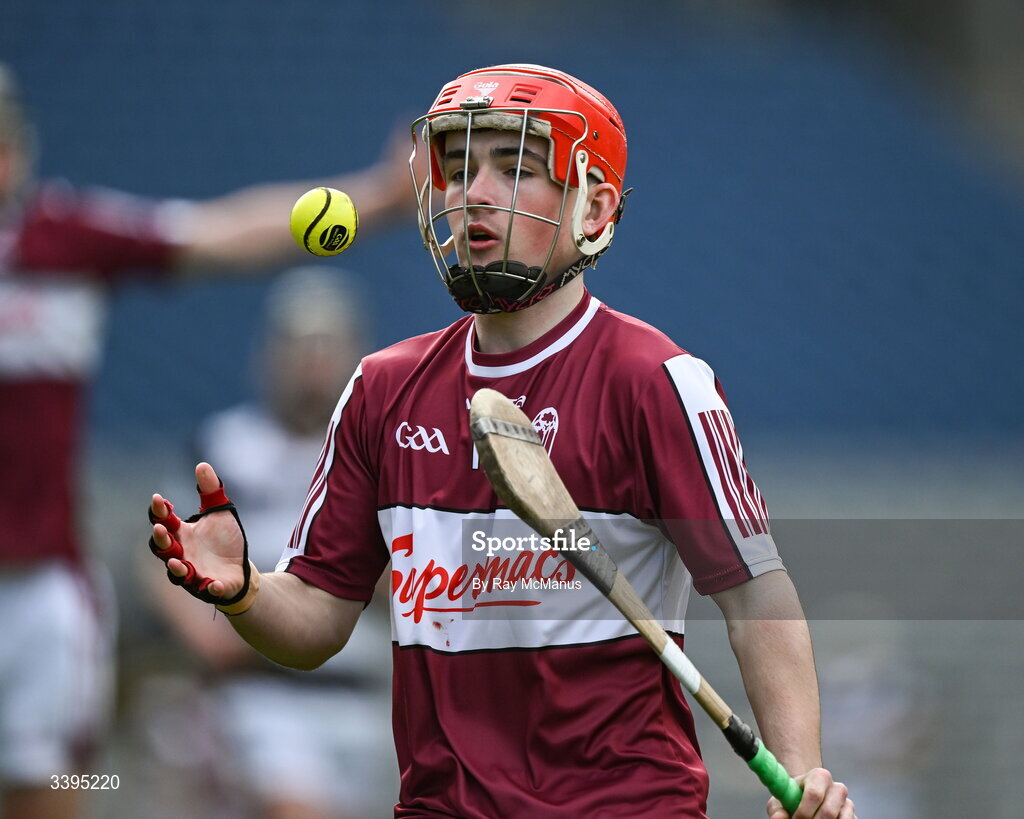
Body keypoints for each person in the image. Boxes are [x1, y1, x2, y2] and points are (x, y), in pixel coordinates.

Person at [147, 63, 856, 818]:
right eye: (456, 167)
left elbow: (754, 597)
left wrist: (801, 770)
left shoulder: (655, 383)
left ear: (593, 206)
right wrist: (248, 591)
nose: (470, 192)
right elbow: (318, 615)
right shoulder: (382, 390)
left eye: (513, 166)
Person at [0, 62, 414, 819]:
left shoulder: (64, 241)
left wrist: (382, 199)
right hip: (248, 704)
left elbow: (225, 230)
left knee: (53, 788)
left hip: (37, 591)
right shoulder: (229, 436)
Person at [145, 268, 397, 818]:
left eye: (327, 346)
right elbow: (161, 548)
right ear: (270, 353)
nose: (312, 363)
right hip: (262, 686)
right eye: (299, 345)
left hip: (364, 687)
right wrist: (204, 633)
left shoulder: (383, 455)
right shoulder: (224, 447)